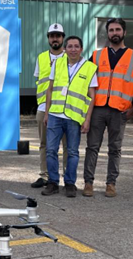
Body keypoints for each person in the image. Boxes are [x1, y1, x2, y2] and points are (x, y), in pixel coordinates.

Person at [84, 18, 133, 198]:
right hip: (98, 108)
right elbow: (87, 82)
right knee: (92, 147)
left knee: (115, 149)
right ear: (107, 33)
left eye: (118, 30)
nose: (114, 33)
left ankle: (111, 184)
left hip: (120, 110)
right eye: (111, 30)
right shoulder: (97, 55)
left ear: (124, 32)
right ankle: (88, 183)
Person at [42, 36, 98, 197]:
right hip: (55, 114)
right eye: (70, 46)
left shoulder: (89, 68)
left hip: (74, 117)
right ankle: (53, 182)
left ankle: (70, 184)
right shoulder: (58, 63)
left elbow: (92, 96)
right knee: (51, 150)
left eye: (76, 46)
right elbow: (50, 89)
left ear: (81, 49)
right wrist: (47, 112)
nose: (73, 49)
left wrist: (87, 119)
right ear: (65, 49)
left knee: (72, 152)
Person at [31, 23, 66, 189]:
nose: (55, 38)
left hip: (65, 108)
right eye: (52, 35)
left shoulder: (70, 57)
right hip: (44, 107)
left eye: (58, 35)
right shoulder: (41, 57)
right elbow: (39, 81)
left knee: (67, 145)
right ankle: (45, 176)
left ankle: (67, 178)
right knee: (44, 144)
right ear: (48, 38)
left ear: (62, 38)